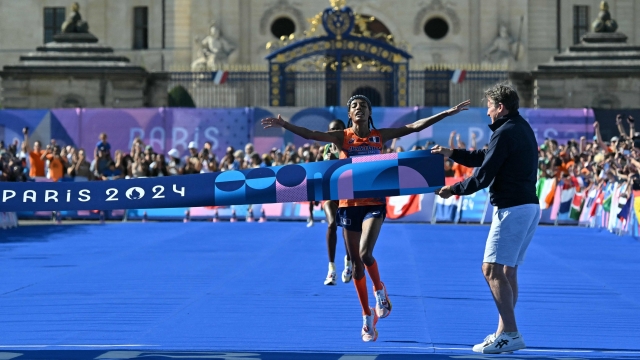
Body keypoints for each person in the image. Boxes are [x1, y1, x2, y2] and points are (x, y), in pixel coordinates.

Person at [263, 95, 470, 342]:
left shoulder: (379, 136)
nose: (358, 108)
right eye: (354, 106)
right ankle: (366, 316)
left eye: (363, 106)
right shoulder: (342, 137)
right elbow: (311, 134)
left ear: (369, 112)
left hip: (374, 203)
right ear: (349, 115)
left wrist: (446, 113)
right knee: (356, 264)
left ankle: (380, 290)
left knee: (364, 254)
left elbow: (415, 126)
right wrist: (285, 125)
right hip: (348, 205)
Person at [432, 83, 539, 354]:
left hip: (512, 209)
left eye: (490, 106)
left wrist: (452, 189)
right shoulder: (518, 127)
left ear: (500, 107)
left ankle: (511, 333)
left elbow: (483, 176)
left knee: (491, 270)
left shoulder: (505, 132)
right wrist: (451, 152)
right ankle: (504, 332)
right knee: (507, 270)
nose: (488, 112)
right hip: (527, 206)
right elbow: (483, 157)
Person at [320, 119, 352, 286]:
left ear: (344, 130)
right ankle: (331, 269)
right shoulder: (324, 150)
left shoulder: (350, 148)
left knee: (347, 228)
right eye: (332, 129)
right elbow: (316, 174)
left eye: (338, 129)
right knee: (332, 224)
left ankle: (348, 262)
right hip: (330, 196)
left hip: (347, 195)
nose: (335, 132)